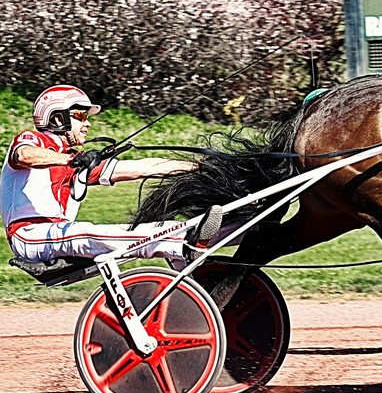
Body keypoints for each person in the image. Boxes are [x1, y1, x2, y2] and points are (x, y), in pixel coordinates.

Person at [2, 85, 222, 267]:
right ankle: (185, 243)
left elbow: (140, 168)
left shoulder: (76, 159)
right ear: (58, 119)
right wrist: (72, 160)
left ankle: (190, 263)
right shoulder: (33, 140)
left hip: (56, 235)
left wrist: (197, 167)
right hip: (28, 235)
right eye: (81, 116)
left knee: (152, 228)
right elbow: (24, 155)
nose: (88, 123)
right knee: (85, 231)